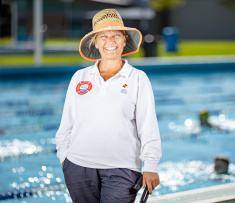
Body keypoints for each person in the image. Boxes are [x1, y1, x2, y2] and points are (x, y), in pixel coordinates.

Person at [55, 9, 162, 203]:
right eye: (103, 36)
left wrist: (151, 165)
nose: (110, 40)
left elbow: (148, 127)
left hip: (123, 169)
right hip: (78, 168)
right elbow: (66, 124)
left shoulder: (138, 79)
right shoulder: (80, 77)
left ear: (124, 40)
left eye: (116, 35)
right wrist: (66, 159)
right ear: (95, 42)